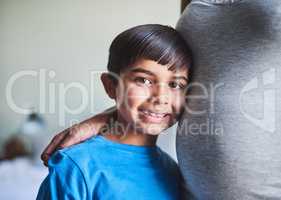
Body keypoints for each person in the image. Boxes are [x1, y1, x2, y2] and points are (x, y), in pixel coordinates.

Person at [37, 24, 192, 200]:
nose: (161, 97)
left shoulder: (173, 171)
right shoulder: (75, 167)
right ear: (111, 86)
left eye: (175, 85)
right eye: (144, 80)